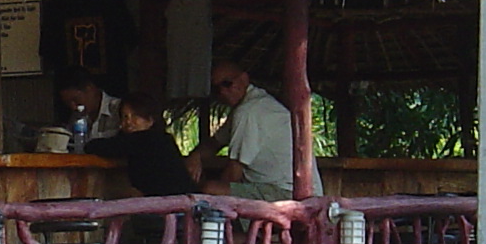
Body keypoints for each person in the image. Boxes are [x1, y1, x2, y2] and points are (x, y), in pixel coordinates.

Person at [199, 59, 321, 201]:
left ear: (244, 79)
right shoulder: (250, 104)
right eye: (216, 89)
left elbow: (233, 174)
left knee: (210, 190)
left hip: (289, 194)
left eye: (227, 84)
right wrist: (195, 157)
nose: (223, 91)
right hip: (291, 191)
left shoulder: (248, 111)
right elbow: (214, 143)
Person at [84, 91, 192, 198]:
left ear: (150, 120)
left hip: (176, 205)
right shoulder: (161, 138)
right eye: (125, 117)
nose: (129, 122)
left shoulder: (147, 139)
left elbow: (95, 146)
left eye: (135, 116)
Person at [53, 68, 121, 144]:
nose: (73, 107)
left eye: (75, 100)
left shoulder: (119, 109)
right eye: (67, 103)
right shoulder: (76, 116)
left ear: (89, 89)